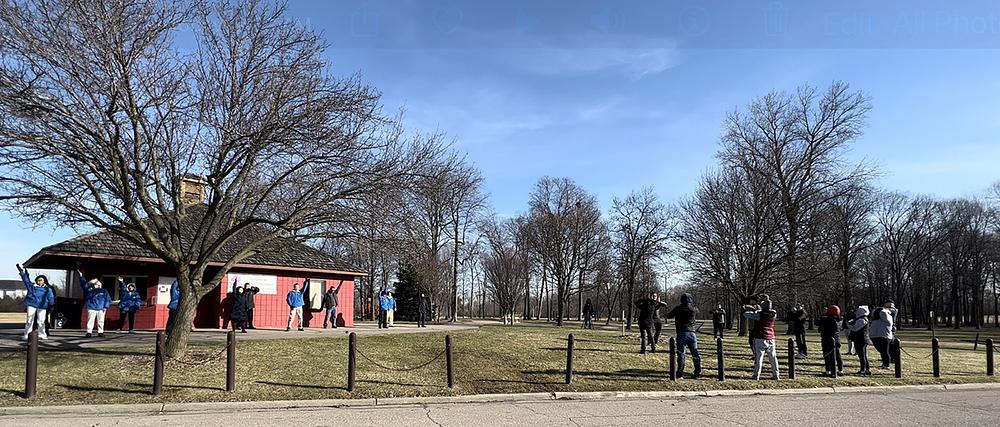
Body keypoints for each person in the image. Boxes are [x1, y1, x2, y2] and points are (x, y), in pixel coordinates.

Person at [665, 293, 701, 379]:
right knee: (695, 353)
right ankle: (697, 373)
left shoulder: (678, 309)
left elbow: (669, 316)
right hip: (692, 333)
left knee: (681, 354)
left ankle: (680, 373)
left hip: (681, 333)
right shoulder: (693, 309)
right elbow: (697, 311)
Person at [743, 296, 780, 380]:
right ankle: (776, 375)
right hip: (771, 338)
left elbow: (745, 314)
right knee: (773, 358)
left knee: (759, 358)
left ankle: (756, 375)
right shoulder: (774, 314)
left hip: (760, 337)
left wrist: (754, 309)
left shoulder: (759, 315)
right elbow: (769, 311)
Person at [16, 264, 55, 341]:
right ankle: (27, 335)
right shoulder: (32, 287)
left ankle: (42, 334)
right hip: (32, 304)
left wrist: (51, 304)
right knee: (29, 320)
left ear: (44, 281)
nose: (40, 281)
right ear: (36, 280)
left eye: (41, 280)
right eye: (38, 280)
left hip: (42, 306)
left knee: (41, 321)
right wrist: (22, 271)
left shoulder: (48, 289)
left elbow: (51, 297)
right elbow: (25, 279)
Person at [78, 270, 111, 338]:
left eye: (99, 285)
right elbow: (84, 285)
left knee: (101, 321)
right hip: (91, 307)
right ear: (94, 285)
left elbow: (108, 299)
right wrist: (81, 277)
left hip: (101, 308)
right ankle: (89, 332)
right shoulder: (90, 290)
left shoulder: (104, 291)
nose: (98, 286)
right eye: (97, 284)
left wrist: (105, 307)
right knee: (90, 320)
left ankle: (100, 332)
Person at [817, 305, 844, 377]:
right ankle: (840, 370)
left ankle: (829, 371)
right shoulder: (840, 319)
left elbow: (819, 322)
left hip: (827, 339)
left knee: (827, 355)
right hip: (836, 339)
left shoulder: (828, 319)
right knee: (838, 356)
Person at [870, 304, 896, 369]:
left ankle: (886, 364)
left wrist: (884, 309)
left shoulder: (887, 318)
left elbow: (882, 312)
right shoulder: (877, 320)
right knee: (882, 351)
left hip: (884, 337)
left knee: (884, 351)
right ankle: (885, 363)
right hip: (875, 336)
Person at [847, 305, 872, 376]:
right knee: (863, 355)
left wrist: (848, 325)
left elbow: (855, 328)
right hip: (862, 339)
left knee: (862, 355)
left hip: (861, 339)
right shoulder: (862, 319)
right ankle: (866, 369)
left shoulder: (862, 320)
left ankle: (863, 370)